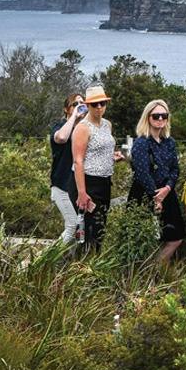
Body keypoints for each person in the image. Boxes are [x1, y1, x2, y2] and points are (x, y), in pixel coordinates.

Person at [129, 98, 183, 264]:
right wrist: (155, 196)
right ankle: (144, 276)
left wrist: (167, 188)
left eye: (164, 116)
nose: (160, 119)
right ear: (148, 117)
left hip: (167, 193)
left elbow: (175, 169)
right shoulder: (141, 143)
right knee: (142, 239)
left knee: (176, 236)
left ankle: (156, 269)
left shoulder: (169, 142)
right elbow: (142, 172)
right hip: (144, 195)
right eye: (156, 116)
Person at [70, 85, 119, 252]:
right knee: (88, 229)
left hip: (105, 181)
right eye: (94, 104)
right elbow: (78, 160)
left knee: (100, 229)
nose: (99, 107)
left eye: (102, 103)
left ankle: (93, 266)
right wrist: (82, 193)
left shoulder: (107, 125)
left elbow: (102, 150)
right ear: (88, 105)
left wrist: (113, 157)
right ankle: (80, 267)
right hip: (87, 181)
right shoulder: (82, 127)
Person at [49, 92, 86, 246]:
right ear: (66, 109)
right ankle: (43, 260)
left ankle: (65, 265)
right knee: (72, 225)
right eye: (75, 104)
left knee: (79, 232)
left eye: (82, 104)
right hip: (61, 186)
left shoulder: (85, 130)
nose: (80, 107)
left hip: (78, 188)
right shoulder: (60, 127)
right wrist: (74, 117)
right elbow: (61, 138)